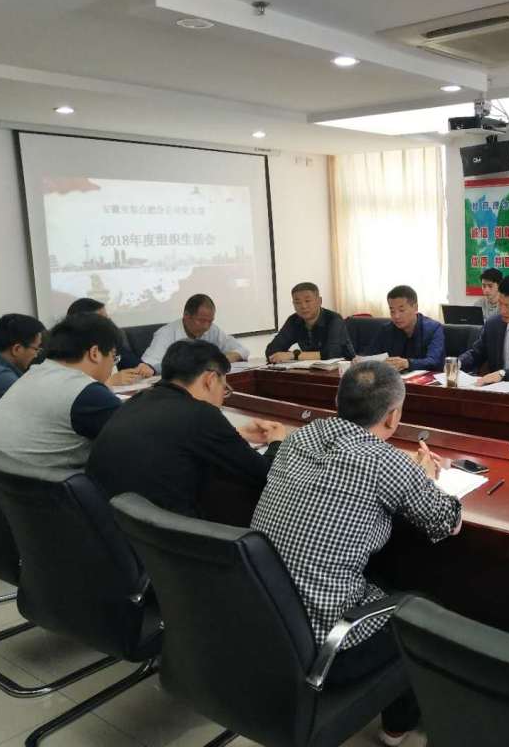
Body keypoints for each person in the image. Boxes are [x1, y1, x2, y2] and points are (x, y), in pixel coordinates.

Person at [251, 361, 461, 744]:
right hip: (324, 649)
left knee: (383, 577)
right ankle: (398, 725)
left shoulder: (300, 437)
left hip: (262, 624)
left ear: (338, 401)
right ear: (393, 416)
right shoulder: (386, 462)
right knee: (426, 610)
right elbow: (447, 521)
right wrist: (426, 478)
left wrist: (409, 477)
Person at [88, 340, 286, 518]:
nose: (222, 397)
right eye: (224, 388)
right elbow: (266, 474)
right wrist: (277, 442)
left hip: (110, 524)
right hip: (167, 534)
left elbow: (171, 438)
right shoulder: (201, 414)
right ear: (210, 380)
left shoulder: (138, 400)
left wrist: (236, 434)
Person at [0, 312, 121, 475]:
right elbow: (134, 439)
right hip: (42, 486)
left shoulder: (35, 372)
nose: (112, 364)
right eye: (113, 356)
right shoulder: (86, 392)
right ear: (95, 353)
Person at [0, 314, 46, 443]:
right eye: (36, 349)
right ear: (17, 349)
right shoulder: (1, 379)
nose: (36, 355)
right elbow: (41, 415)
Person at [140, 294, 248, 375]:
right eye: (201, 321)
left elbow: (242, 350)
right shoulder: (165, 334)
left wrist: (222, 360)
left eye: (210, 321)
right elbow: (149, 366)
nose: (206, 327)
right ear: (186, 315)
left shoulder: (212, 329)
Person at [265, 282, 354, 363]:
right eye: (297, 302)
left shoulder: (334, 319)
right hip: (310, 369)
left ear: (319, 301)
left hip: (342, 369)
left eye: (307, 301)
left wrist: (293, 355)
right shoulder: (294, 320)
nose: (303, 306)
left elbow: (333, 352)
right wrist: (289, 356)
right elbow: (271, 350)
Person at [364, 285, 445, 372]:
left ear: (415, 308)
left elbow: (435, 362)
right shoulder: (386, 330)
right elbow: (369, 355)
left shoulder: (434, 329)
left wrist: (407, 363)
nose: (396, 316)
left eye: (401, 310)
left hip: (423, 380)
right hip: (393, 378)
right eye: (392, 311)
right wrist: (360, 361)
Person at [66, 297, 145, 385]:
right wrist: (109, 382)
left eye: (107, 318)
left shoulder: (111, 342)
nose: (108, 323)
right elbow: (72, 388)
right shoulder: (68, 354)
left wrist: (147, 369)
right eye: (102, 319)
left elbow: (136, 364)